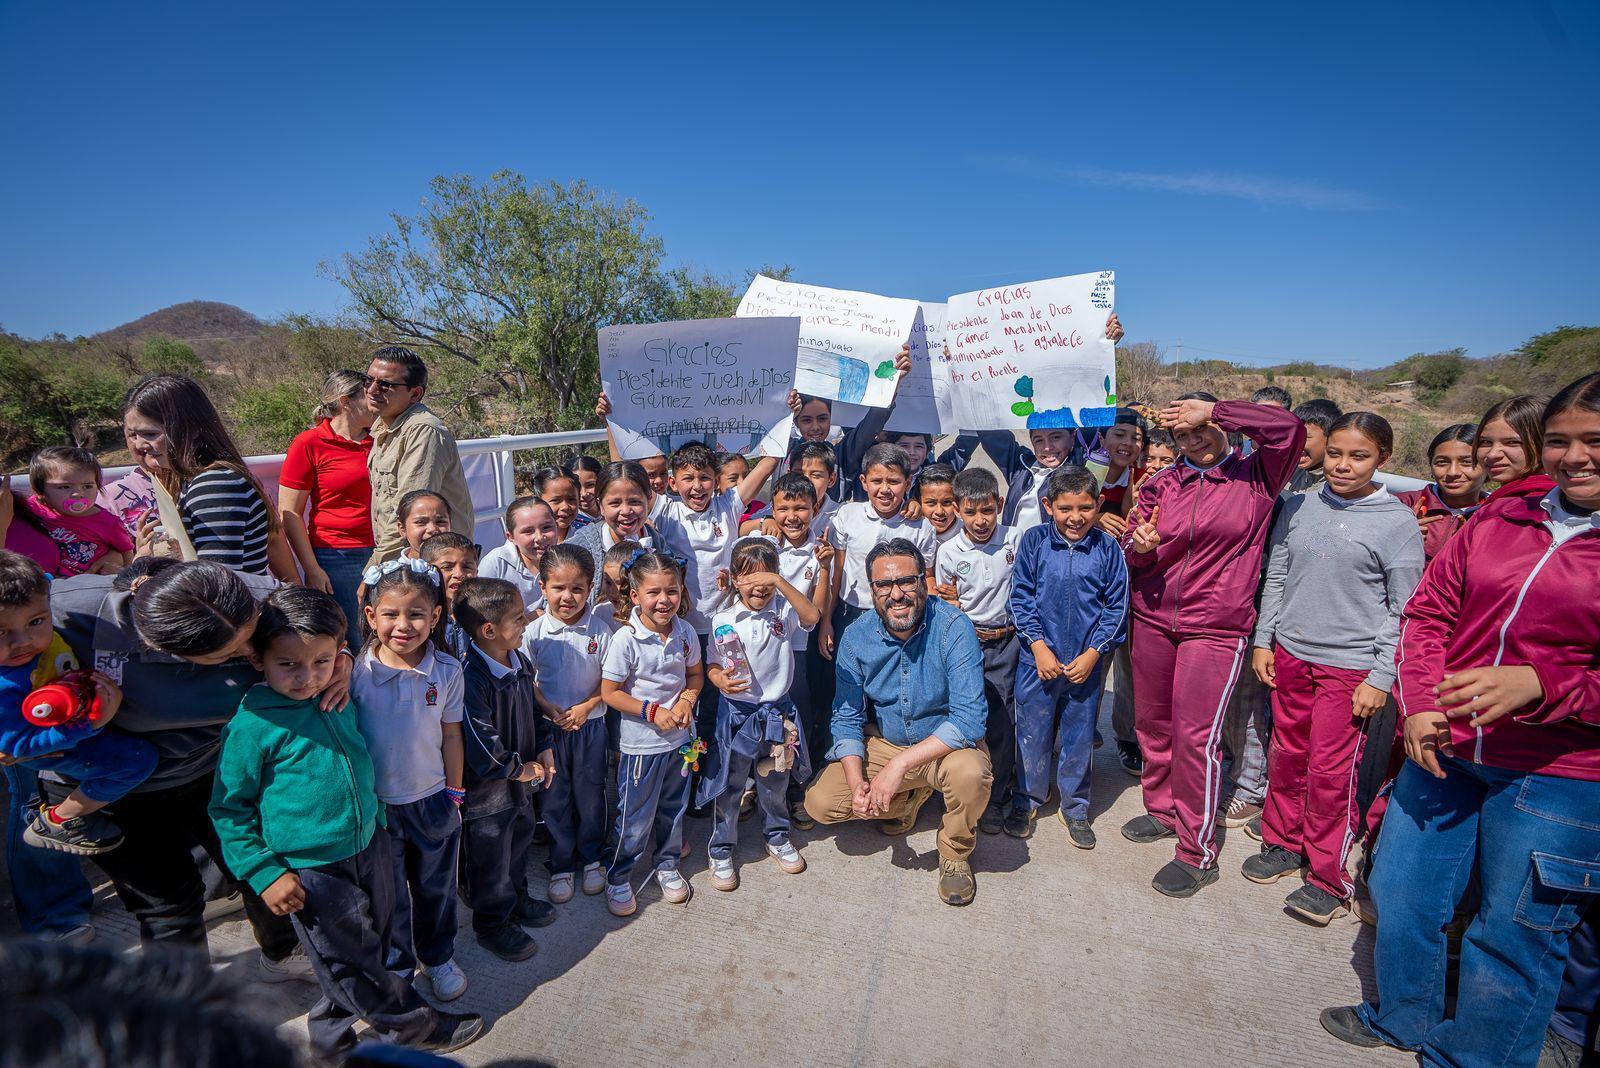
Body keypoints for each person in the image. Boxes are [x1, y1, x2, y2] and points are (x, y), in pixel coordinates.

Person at [1321, 374, 1600, 1066]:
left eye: (1592, 441)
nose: (1573, 457)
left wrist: (1546, 683)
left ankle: (1472, 1056)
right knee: (1401, 889)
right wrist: (1417, 708)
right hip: (1447, 746)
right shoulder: (1505, 516)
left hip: (1558, 771)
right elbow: (1430, 614)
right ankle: (1403, 1016)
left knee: (1513, 932)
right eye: (1560, 440)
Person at [208, 584, 482, 1056]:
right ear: (258, 659)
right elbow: (228, 809)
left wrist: (345, 664)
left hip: (368, 842)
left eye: (320, 662)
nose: (306, 678)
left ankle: (331, 1041)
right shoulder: (254, 723)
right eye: (288, 665)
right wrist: (264, 872)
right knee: (347, 960)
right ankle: (411, 1027)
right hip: (313, 867)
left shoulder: (338, 689)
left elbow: (359, 660)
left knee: (359, 952)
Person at [41, 558, 349, 975]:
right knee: (170, 905)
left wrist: (343, 659)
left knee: (261, 869)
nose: (250, 654)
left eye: (251, 636)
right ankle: (187, 1009)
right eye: (230, 654)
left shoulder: (249, 599)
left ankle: (284, 952)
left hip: (210, 770)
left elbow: (325, 629)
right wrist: (70, 727)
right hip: (112, 785)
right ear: (163, 650)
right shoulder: (71, 613)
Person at [1120, 392, 1305, 898]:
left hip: (1215, 627)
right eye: (1183, 434)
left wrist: (1215, 409)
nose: (1194, 439)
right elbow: (1132, 550)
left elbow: (1289, 430)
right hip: (1154, 618)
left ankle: (1197, 851)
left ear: (1222, 427)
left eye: (1201, 428)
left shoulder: (1257, 476)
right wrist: (1139, 549)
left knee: (1195, 735)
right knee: (1152, 725)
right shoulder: (1160, 483)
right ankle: (1162, 809)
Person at [1244, 413, 1424, 925]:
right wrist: (1265, 641)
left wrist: (1380, 677)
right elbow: (1276, 575)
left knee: (1331, 770)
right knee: (1288, 753)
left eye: (1359, 456)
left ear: (1383, 460)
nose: (1344, 465)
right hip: (1291, 653)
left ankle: (1327, 875)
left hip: (1350, 667)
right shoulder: (1298, 505)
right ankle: (1282, 842)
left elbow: (1404, 607)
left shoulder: (1396, 522)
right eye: (1337, 453)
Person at [805, 539, 991, 906]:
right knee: (821, 803)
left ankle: (954, 853)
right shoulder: (856, 636)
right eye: (884, 585)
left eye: (907, 581)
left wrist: (899, 765)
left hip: (944, 746)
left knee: (972, 775)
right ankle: (909, 800)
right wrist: (859, 782)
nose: (897, 594)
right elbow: (846, 716)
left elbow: (969, 719)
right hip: (887, 742)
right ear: (871, 589)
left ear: (924, 581)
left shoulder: (954, 627)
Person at [348, 558, 467, 1000]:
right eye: (391, 614)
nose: (404, 625)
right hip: (378, 807)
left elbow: (451, 734)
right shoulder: (354, 674)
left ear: (435, 616)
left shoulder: (447, 671)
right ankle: (398, 965)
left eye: (416, 614)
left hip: (433, 800)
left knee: (437, 887)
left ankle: (438, 956)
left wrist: (454, 794)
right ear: (370, 615)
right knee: (389, 895)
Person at [0, 551, 157, 854]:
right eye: (1, 632)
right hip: (54, 745)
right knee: (137, 761)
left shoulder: (39, 637)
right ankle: (60, 818)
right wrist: (89, 725)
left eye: (35, 621)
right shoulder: (6, 686)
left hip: (72, 711)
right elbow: (17, 748)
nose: (22, 641)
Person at [1008, 466, 1129, 848]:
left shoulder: (1108, 549)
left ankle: (1074, 807)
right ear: (1048, 506)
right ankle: (1027, 797)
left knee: (1079, 737)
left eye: (1085, 508)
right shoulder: (1034, 542)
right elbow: (1020, 597)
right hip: (1037, 662)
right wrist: (1038, 646)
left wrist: (1094, 654)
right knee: (1032, 732)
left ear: (1098, 506)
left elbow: (1116, 608)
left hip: (1084, 666)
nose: (1075, 517)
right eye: (1065, 508)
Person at [698, 538, 821, 890]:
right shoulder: (723, 617)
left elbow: (812, 616)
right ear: (735, 579)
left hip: (776, 714)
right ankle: (721, 847)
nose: (759, 587)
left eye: (766, 579)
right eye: (750, 579)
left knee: (774, 781)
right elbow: (711, 663)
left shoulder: (783, 610)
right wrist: (718, 677)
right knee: (730, 784)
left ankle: (778, 835)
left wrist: (781, 582)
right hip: (736, 714)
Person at [939, 312, 1124, 528]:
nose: (1047, 447)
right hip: (1016, 559)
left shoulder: (1081, 469)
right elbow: (988, 426)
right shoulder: (1020, 466)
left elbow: (1093, 397)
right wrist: (962, 364)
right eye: (1038, 440)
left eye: (1056, 437)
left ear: (1073, 436)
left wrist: (1106, 344)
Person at [454, 577, 557, 963]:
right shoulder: (471, 678)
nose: (526, 621)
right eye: (518, 617)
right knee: (490, 857)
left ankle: (516, 900)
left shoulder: (518, 660)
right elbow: (481, 745)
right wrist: (518, 769)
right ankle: (492, 923)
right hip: (489, 792)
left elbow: (533, 709)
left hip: (521, 784)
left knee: (520, 840)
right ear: (488, 630)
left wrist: (544, 747)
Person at [599, 550, 703, 917]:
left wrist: (688, 701)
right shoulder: (626, 640)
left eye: (671, 591)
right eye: (654, 592)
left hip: (680, 741)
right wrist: (651, 711)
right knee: (635, 817)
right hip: (642, 745)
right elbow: (610, 693)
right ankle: (619, 875)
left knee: (673, 810)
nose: (664, 601)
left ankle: (667, 864)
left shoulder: (686, 631)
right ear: (634, 596)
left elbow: (694, 676)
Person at [123, 375, 295, 579]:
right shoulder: (192, 480)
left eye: (150, 434)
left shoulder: (214, 485)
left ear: (193, 430)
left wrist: (143, 563)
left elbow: (216, 585)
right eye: (132, 435)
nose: (140, 444)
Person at [933, 468, 1024, 837]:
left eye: (987, 510)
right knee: (970, 721)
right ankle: (963, 791)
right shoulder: (949, 551)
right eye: (970, 512)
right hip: (969, 644)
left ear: (999, 505)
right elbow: (949, 602)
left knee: (1004, 721)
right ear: (957, 510)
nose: (980, 520)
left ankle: (997, 797)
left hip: (1009, 641)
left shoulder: (1015, 540)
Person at [522, 544, 615, 903]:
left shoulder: (601, 631)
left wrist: (587, 706)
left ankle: (592, 857)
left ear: (590, 587)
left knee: (591, 793)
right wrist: (548, 709)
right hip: (550, 730)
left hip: (590, 728)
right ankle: (561, 862)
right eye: (558, 587)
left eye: (577, 588)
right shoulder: (534, 633)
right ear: (542, 587)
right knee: (554, 796)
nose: (568, 596)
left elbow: (610, 679)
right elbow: (527, 679)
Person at [755, 473, 835, 828]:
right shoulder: (763, 541)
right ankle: (752, 788)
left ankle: (797, 791)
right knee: (757, 722)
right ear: (772, 509)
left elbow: (814, 614)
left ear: (815, 508)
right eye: (783, 507)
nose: (792, 516)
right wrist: (759, 522)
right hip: (758, 649)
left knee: (796, 723)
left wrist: (824, 567)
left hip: (796, 650)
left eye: (801, 507)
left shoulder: (819, 552)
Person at [278, 369, 376, 643]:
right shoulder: (309, 443)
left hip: (384, 550)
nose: (377, 402)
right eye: (369, 396)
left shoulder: (381, 440)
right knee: (354, 638)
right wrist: (311, 568)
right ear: (346, 401)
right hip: (338, 557)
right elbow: (290, 513)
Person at [819, 443, 937, 659]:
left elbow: (927, 578)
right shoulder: (848, 515)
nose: (884, 489)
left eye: (893, 481)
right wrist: (827, 621)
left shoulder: (922, 526)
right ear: (864, 482)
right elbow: (837, 575)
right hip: (850, 614)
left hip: (901, 617)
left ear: (908, 482)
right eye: (876, 481)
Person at [362, 346, 473, 567]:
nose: (372, 390)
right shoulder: (385, 427)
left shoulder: (423, 431)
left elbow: (409, 510)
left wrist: (376, 567)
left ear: (415, 394)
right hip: (407, 560)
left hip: (433, 564)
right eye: (368, 380)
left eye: (386, 384)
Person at [785, 343, 913, 502]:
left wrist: (892, 382)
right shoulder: (786, 449)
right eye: (806, 420)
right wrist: (786, 415)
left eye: (822, 418)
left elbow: (871, 426)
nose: (816, 427)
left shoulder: (842, 454)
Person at [18, 447, 133, 576]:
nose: (78, 494)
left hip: (94, 580)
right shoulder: (32, 508)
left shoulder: (108, 523)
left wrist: (127, 578)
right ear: (39, 491)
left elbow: (126, 551)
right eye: (65, 487)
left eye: (87, 486)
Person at [563, 461, 668, 601]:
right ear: (600, 505)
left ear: (648, 500)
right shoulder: (579, 549)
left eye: (635, 502)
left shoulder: (656, 542)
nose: (625, 511)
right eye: (615, 503)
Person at [1392, 423, 1488, 563]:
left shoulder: (1496, 515)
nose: (1452, 472)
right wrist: (1393, 536)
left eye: (1467, 462)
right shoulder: (1400, 504)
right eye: (1442, 462)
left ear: (1488, 466)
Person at [478, 495, 560, 613]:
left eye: (546, 527)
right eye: (528, 531)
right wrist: (524, 621)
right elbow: (481, 612)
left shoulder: (564, 561)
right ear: (510, 536)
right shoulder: (497, 563)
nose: (539, 537)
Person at [1476, 393, 1553, 501]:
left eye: (1512, 442)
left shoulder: (1534, 506)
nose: (1492, 454)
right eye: (1485, 442)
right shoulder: (1501, 500)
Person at [418, 531, 478, 660]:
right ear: (427, 571)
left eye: (467, 567)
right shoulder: (422, 618)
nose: (459, 574)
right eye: (447, 567)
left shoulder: (482, 614)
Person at [1286, 398, 1342, 495]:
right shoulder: (1289, 474)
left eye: (1305, 437)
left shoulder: (1341, 484)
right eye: (1293, 436)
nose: (1294, 443)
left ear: (1331, 439)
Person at [910, 463, 963, 547]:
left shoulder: (969, 534)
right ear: (918, 502)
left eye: (947, 502)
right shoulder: (910, 531)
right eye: (931, 503)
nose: (939, 511)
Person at [529, 466, 583, 542]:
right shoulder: (528, 541)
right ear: (538, 501)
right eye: (556, 500)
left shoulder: (584, 539)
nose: (565, 507)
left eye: (571, 499)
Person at [568, 454, 603, 530]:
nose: (584, 493)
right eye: (578, 487)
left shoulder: (612, 513)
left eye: (590, 485)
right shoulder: (568, 524)